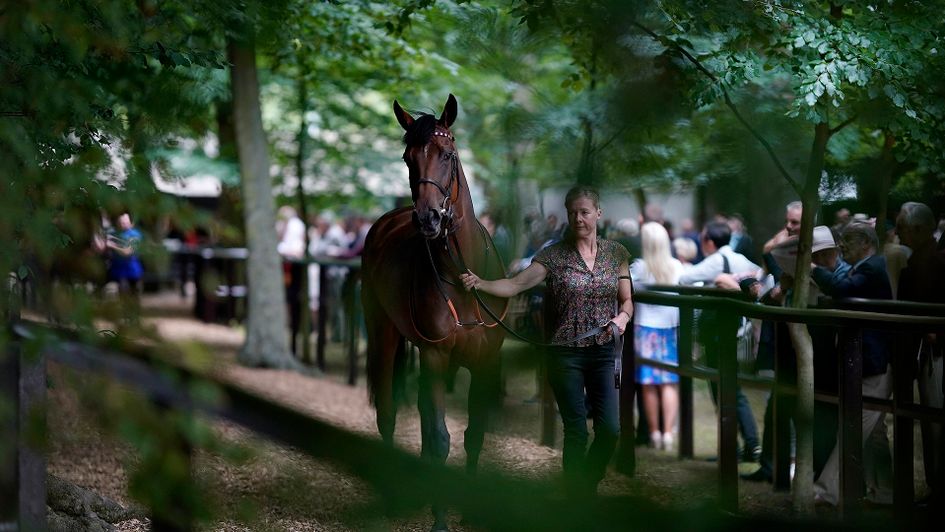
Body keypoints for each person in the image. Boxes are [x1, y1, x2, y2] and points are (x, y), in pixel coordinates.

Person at [461, 186, 633, 497]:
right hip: (564, 354)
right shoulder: (552, 256)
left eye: (584, 212)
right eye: (572, 212)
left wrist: (623, 317)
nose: (578, 218)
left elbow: (627, 300)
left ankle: (585, 482)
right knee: (576, 430)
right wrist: (481, 283)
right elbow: (515, 284)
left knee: (610, 430)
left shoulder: (617, 254)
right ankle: (576, 497)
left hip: (604, 352)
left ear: (598, 213)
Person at [812, 222, 894, 506]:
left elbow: (843, 291)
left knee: (854, 427)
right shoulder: (867, 267)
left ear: (866, 243)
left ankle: (826, 490)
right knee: (874, 431)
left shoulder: (870, 269)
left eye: (847, 240)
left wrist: (813, 271)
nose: (842, 246)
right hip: (871, 359)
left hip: (874, 361)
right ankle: (884, 491)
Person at [679, 220, 762, 462]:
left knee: (723, 387)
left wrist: (722, 281)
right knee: (732, 386)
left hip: (717, 330)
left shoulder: (716, 260)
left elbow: (685, 279)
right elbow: (758, 274)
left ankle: (737, 446)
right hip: (733, 327)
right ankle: (749, 444)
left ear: (709, 242)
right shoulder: (739, 258)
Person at [896, 202, 945, 506]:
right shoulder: (920, 261)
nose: (897, 232)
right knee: (931, 422)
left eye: (901, 227)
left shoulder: (935, 262)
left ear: (919, 230)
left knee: (935, 420)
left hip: (935, 352)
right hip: (926, 350)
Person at [631, 222, 683, 451]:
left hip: (645, 328)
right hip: (670, 327)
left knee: (649, 383)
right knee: (670, 381)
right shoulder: (676, 266)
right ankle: (668, 433)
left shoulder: (639, 268)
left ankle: (654, 433)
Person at [105, 212, 144, 314]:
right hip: (119, 270)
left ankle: (133, 315)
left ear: (131, 223)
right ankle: (125, 315)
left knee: (134, 294)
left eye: (126, 222)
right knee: (122, 293)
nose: (123, 224)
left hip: (133, 270)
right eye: (121, 222)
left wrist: (112, 245)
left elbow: (128, 252)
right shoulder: (114, 233)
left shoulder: (135, 235)